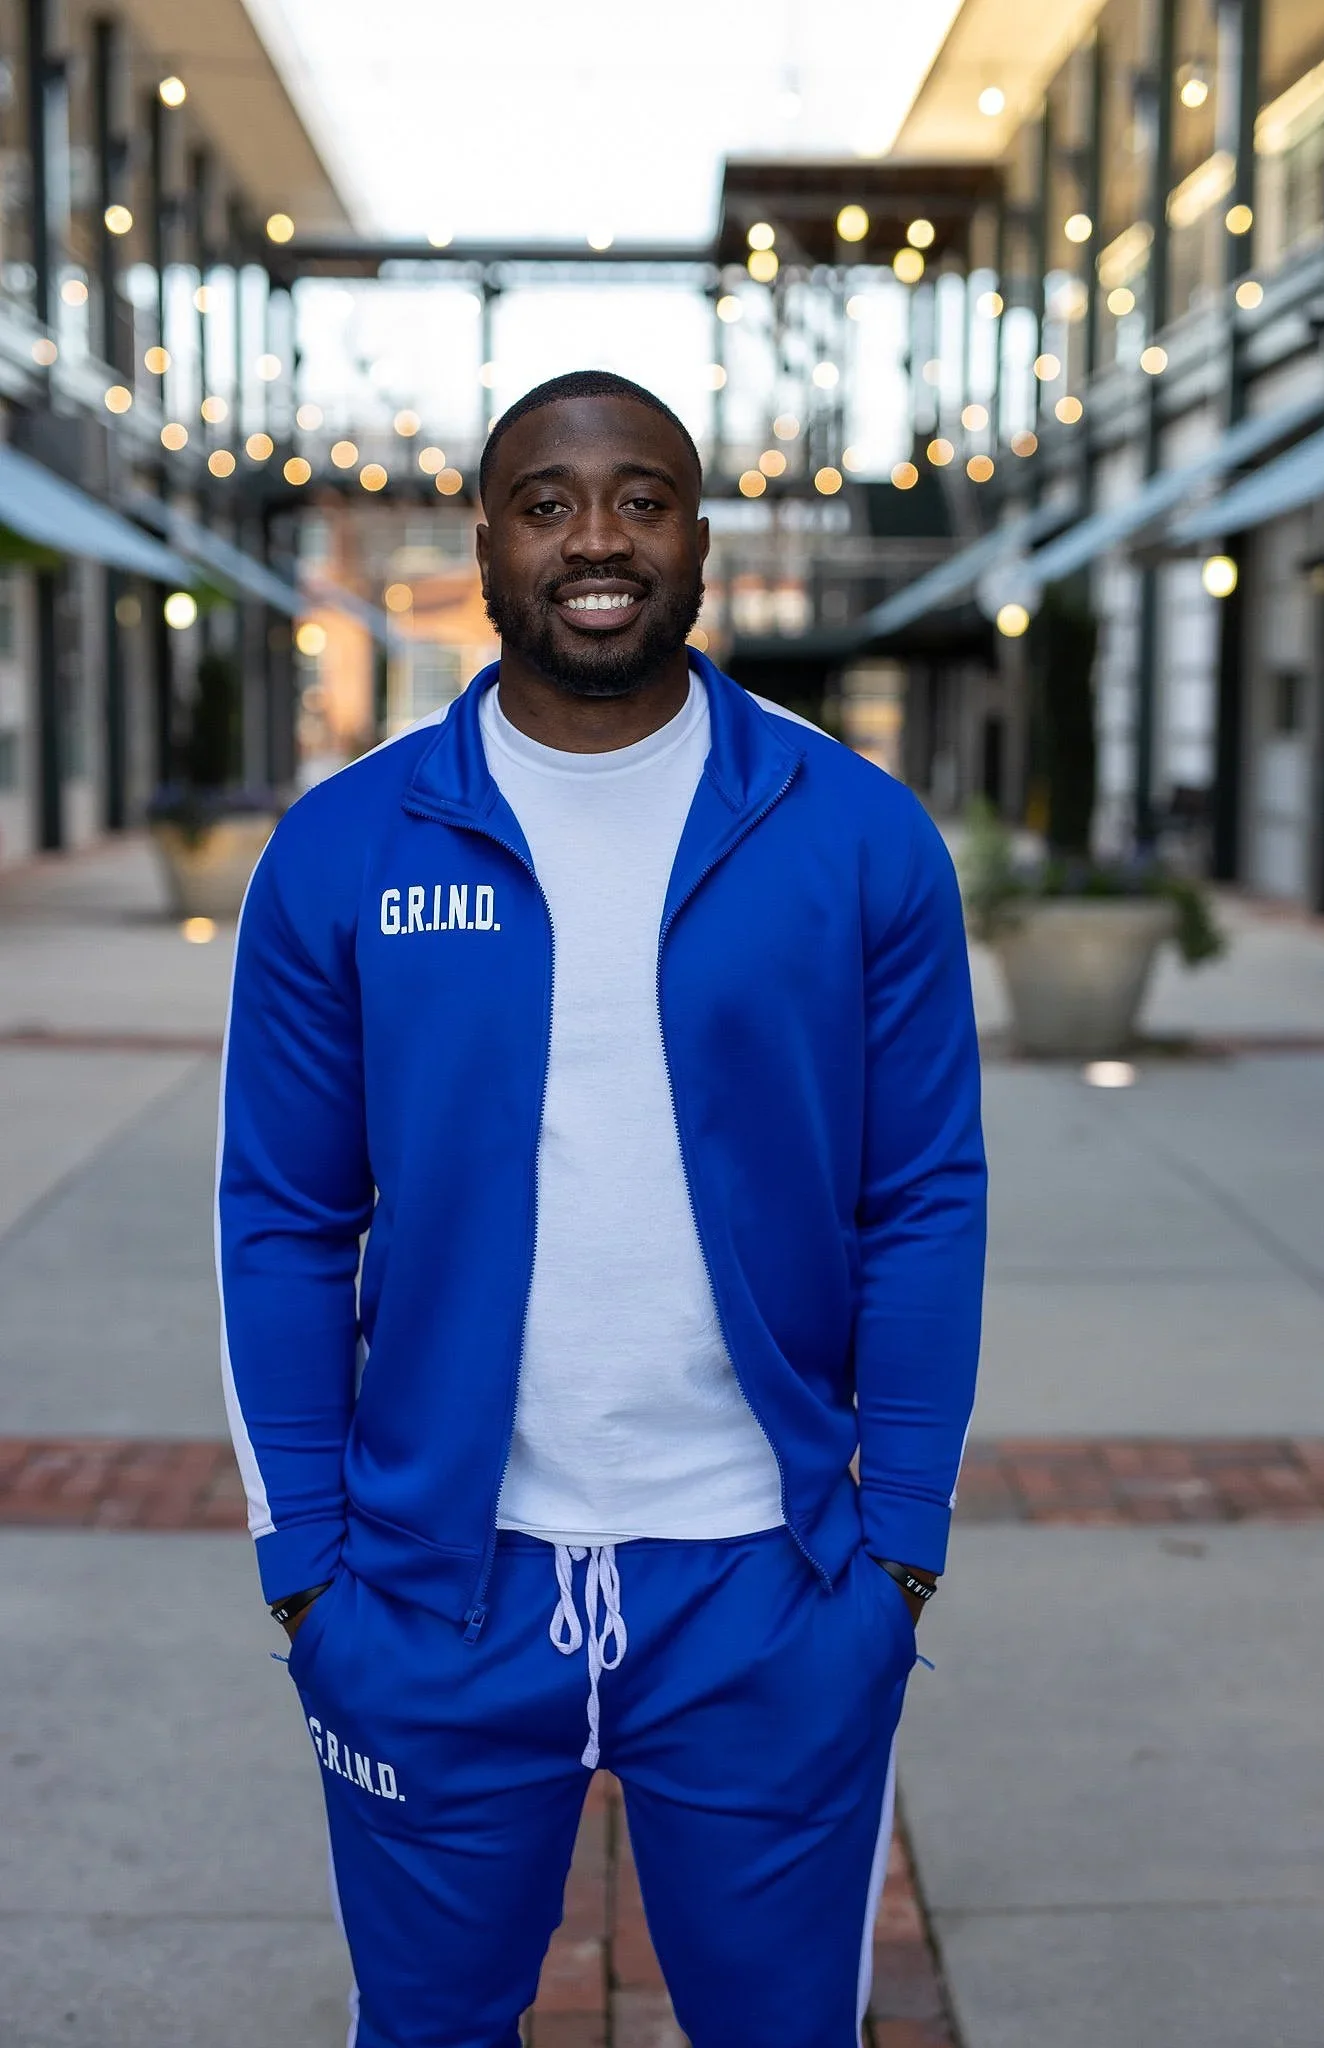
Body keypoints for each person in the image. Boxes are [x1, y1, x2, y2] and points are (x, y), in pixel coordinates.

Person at [216, 369, 987, 2048]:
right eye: (548, 502)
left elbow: (925, 1197)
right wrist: (308, 1579)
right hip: (436, 1593)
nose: (596, 539)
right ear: (485, 542)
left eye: (640, 500)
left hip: (771, 1587)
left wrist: (902, 1552)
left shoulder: (855, 835)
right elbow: (280, 1219)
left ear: (699, 541)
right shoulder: (346, 849)